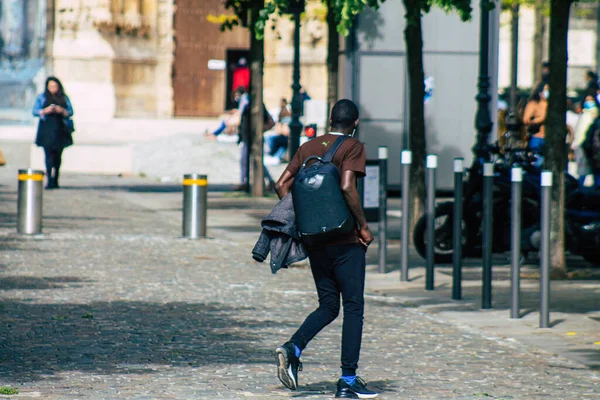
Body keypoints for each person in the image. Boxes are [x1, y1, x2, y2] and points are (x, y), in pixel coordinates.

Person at [273, 99, 378, 399]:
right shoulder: (352, 146)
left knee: (329, 305)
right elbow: (347, 187)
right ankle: (347, 379)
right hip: (345, 242)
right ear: (354, 123)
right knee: (353, 306)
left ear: (330, 121)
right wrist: (363, 227)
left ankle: (293, 347)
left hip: (315, 242)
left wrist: (303, 217)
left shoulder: (308, 147)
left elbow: (282, 184)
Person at [32, 77, 74, 189]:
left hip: (60, 129)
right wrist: (45, 111)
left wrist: (62, 111)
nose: (52, 89)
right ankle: (50, 179)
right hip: (47, 128)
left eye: (54, 86)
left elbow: (70, 112)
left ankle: (56, 178)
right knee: (48, 155)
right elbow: (35, 111)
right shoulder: (42, 97)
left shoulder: (64, 98)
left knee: (57, 156)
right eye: (50, 86)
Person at [574, 93, 600, 186]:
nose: (589, 102)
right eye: (587, 100)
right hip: (585, 148)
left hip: (593, 150)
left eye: (591, 100)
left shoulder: (595, 116)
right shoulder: (584, 115)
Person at [523, 82, 548, 158]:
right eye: (546, 90)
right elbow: (526, 120)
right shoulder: (533, 104)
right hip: (537, 137)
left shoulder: (551, 105)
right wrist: (541, 119)